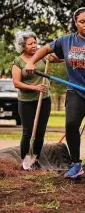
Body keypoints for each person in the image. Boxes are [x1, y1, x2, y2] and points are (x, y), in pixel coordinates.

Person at [24, 7, 85, 179]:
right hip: (76, 90)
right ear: (76, 23)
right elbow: (46, 49)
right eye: (82, 22)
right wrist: (32, 61)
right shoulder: (66, 40)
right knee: (71, 125)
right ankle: (76, 164)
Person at [12, 29, 60, 170]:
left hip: (44, 99)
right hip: (26, 101)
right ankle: (24, 161)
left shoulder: (42, 57)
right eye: (30, 44)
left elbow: (60, 59)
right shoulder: (18, 62)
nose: (34, 46)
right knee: (28, 131)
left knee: (40, 131)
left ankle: (35, 159)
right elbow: (16, 83)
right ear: (23, 46)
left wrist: (55, 57)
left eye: (35, 42)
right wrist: (35, 88)